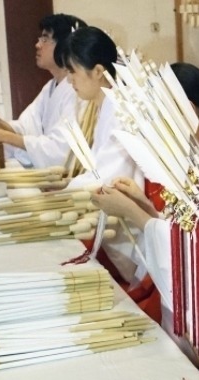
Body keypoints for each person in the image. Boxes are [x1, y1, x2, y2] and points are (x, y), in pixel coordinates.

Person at [90, 62, 199, 380]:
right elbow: (186, 232)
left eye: (160, 115)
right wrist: (142, 206)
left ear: (190, 111)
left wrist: (132, 214)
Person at [60, 26, 146, 303]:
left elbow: (109, 174)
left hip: (131, 219)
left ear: (97, 71)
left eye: (73, 71)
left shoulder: (121, 108)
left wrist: (63, 195)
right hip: (116, 216)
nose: (69, 80)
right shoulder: (105, 103)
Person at [0, 14, 86, 168]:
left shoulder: (77, 90)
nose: (38, 45)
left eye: (45, 39)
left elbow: (60, 149)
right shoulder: (50, 87)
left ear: (64, 45)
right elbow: (26, 128)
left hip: (68, 178)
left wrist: (3, 135)